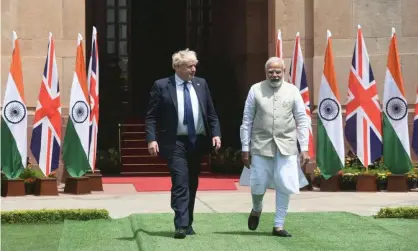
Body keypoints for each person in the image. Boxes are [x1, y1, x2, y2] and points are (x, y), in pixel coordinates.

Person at [145, 49, 221, 239]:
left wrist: (216, 134)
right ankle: (181, 224)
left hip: (197, 140)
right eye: (189, 66)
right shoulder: (162, 85)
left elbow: (211, 113)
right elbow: (151, 116)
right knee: (180, 181)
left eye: (195, 65)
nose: (194, 69)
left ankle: (188, 223)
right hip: (175, 141)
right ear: (177, 67)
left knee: (192, 183)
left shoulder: (201, 84)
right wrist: (151, 139)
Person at [240, 56, 310, 237]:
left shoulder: (293, 91)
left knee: (284, 184)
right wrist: (245, 148)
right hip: (260, 145)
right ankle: (256, 208)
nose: (274, 75)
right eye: (271, 72)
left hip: (286, 145)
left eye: (278, 71)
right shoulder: (255, 90)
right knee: (257, 184)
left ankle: (278, 225)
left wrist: (304, 147)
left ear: (284, 72)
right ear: (266, 73)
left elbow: (302, 120)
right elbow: (247, 120)